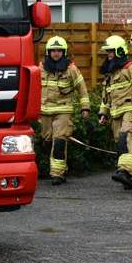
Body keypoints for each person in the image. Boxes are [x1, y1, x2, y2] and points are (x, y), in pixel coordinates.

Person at [98, 35, 132, 190]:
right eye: (107, 52)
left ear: (120, 51)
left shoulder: (131, 68)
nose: (108, 55)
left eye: (111, 52)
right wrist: (103, 113)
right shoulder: (110, 74)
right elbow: (105, 97)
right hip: (115, 114)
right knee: (122, 144)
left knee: (125, 136)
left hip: (131, 111)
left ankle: (124, 171)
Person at [39, 36, 90, 185]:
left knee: (59, 141)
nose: (56, 53)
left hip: (63, 111)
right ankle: (57, 168)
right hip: (44, 112)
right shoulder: (41, 69)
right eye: (53, 50)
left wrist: (85, 108)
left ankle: (57, 174)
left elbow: (82, 90)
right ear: (48, 52)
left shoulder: (71, 69)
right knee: (47, 142)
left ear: (64, 52)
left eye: (59, 51)